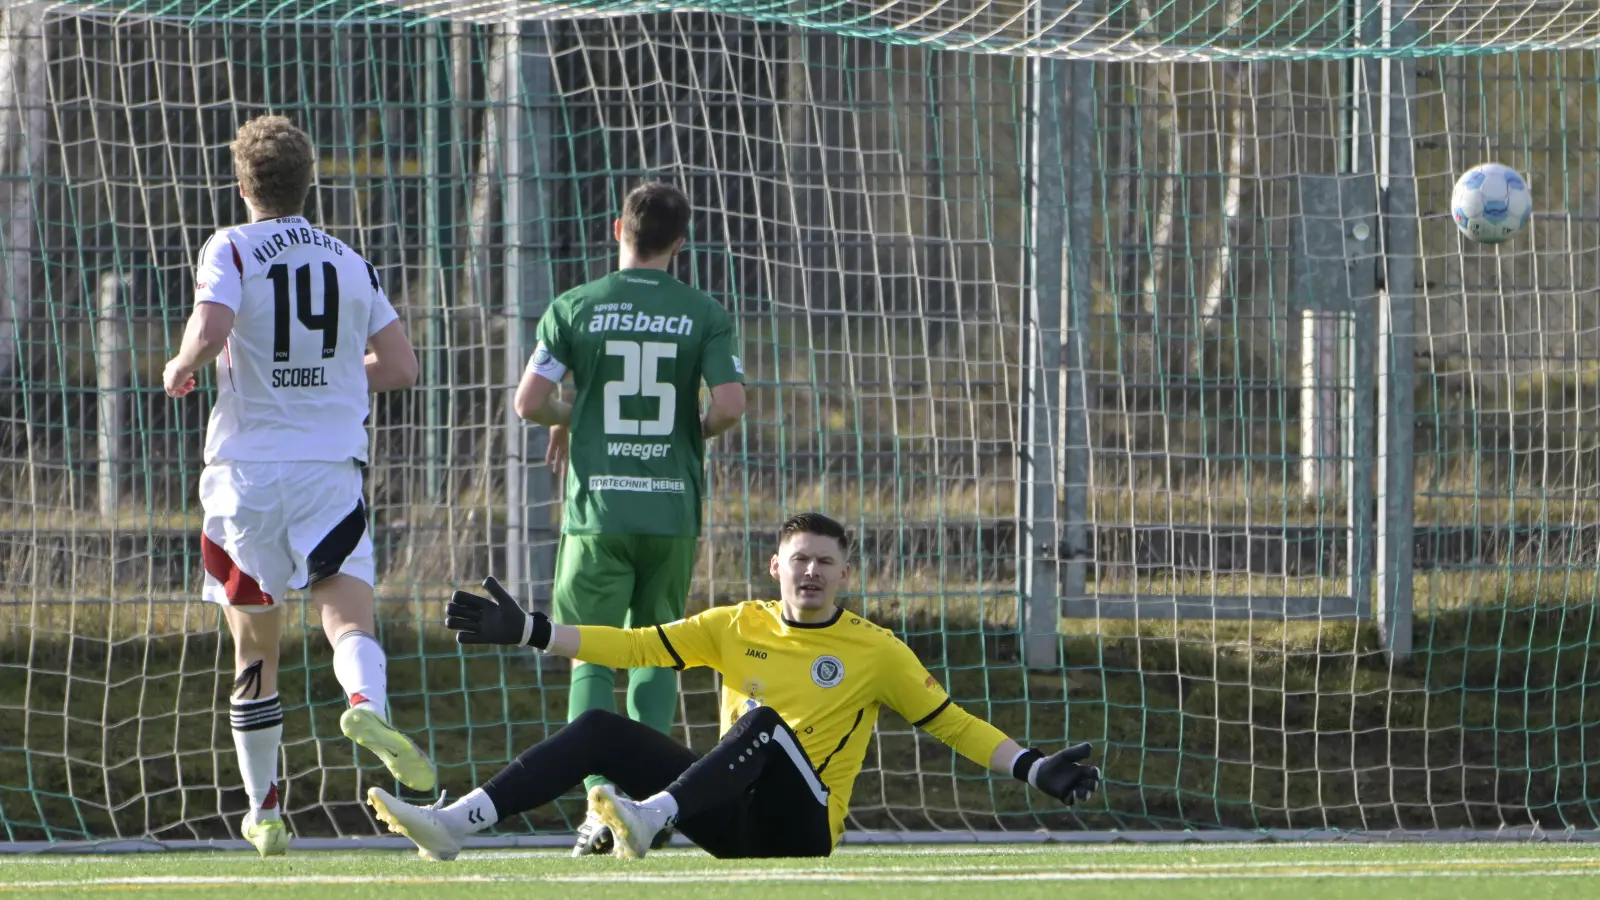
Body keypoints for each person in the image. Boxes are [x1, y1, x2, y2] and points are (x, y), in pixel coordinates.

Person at [366, 512, 1100, 861]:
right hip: (724, 820)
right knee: (599, 730)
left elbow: (953, 723)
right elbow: (631, 645)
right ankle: (455, 824)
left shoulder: (877, 651)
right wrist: (531, 630)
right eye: (798, 560)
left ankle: (648, 818)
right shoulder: (733, 623)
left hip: (801, 829)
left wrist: (1035, 766)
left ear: (847, 575)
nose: (810, 572)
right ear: (774, 567)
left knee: (762, 721)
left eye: (825, 562)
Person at [163, 115, 435, 859]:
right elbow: (402, 367)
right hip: (329, 470)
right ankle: (365, 705)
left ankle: (266, 811)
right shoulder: (349, 260)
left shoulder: (231, 246)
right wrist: (333, 377)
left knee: (255, 651)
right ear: (308, 178)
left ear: (243, 183)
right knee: (348, 621)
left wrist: (182, 363)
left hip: (246, 475)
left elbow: (212, 328)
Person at [512, 180, 746, 853]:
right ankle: (648, 807)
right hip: (670, 512)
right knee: (657, 656)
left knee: (587, 652)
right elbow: (729, 406)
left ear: (619, 228)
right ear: (680, 241)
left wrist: (572, 417)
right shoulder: (702, 311)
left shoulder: (574, 306)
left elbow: (530, 402)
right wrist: (685, 433)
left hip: (596, 514)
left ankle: (596, 811)